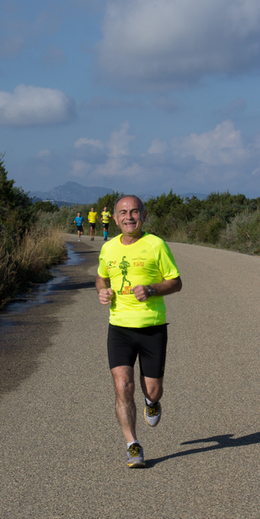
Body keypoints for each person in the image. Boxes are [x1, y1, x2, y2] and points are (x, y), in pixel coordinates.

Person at [96, 195, 182, 468]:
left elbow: (176, 282)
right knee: (123, 386)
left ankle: (151, 401)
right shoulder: (108, 248)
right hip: (119, 328)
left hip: (152, 327)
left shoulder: (156, 244)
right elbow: (101, 276)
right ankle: (132, 445)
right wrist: (102, 290)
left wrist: (152, 289)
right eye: (123, 212)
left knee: (153, 389)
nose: (129, 217)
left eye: (134, 212)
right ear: (115, 218)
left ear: (143, 216)